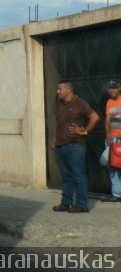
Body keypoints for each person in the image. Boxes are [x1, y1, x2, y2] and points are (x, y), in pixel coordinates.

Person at [51, 80, 100, 213]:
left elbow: (95, 117)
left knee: (79, 175)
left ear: (68, 90)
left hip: (75, 146)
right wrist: (55, 141)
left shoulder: (80, 103)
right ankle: (65, 203)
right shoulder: (61, 104)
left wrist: (84, 131)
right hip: (61, 146)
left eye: (60, 89)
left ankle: (81, 205)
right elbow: (59, 125)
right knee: (66, 176)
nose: (58, 92)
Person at [101, 79, 121, 202]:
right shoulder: (109, 102)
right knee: (110, 165)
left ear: (119, 88)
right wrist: (108, 135)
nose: (112, 90)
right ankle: (116, 194)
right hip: (112, 139)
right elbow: (107, 120)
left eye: (114, 88)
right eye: (110, 88)